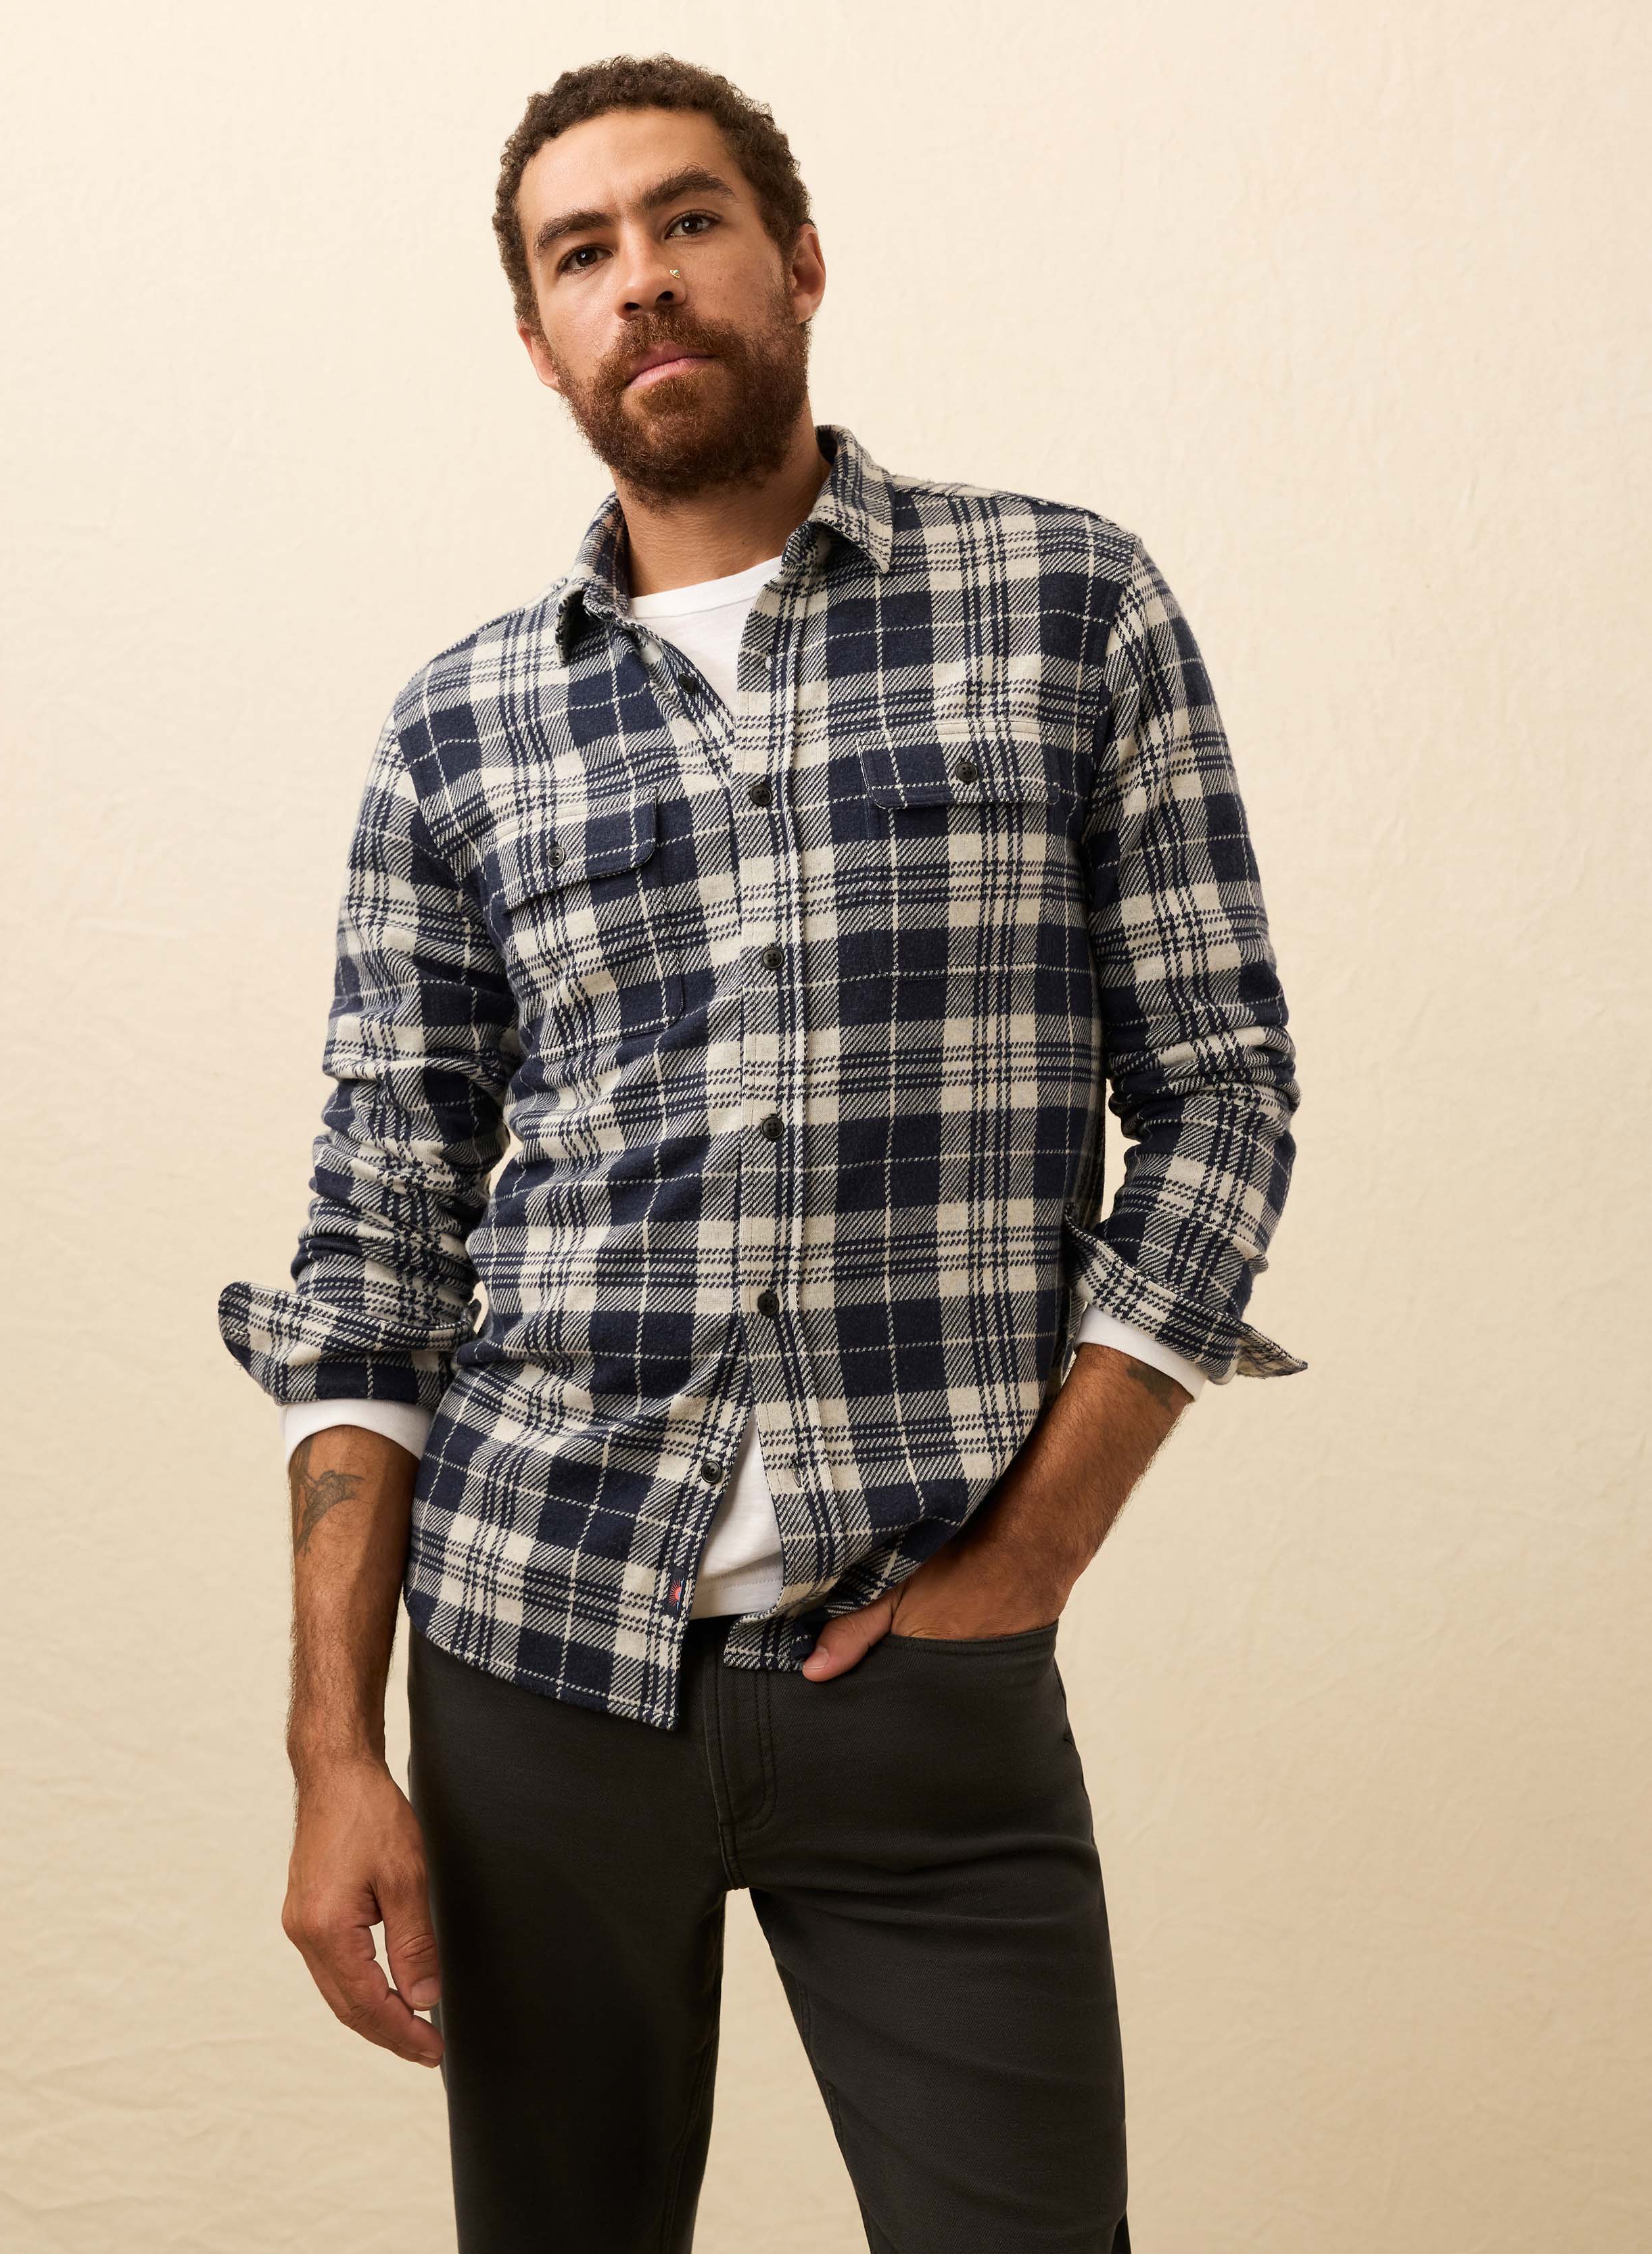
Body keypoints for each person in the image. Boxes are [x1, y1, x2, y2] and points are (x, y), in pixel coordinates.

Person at [218, 51, 1305, 2254]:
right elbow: (377, 1236)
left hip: (927, 1679)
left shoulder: (1061, 606)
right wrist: (339, 1751)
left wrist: (1029, 1560)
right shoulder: (458, 728)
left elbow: (1219, 1094)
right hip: (533, 1673)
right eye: (580, 253)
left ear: (796, 260)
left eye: (687, 220)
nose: (643, 281)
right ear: (539, 342)